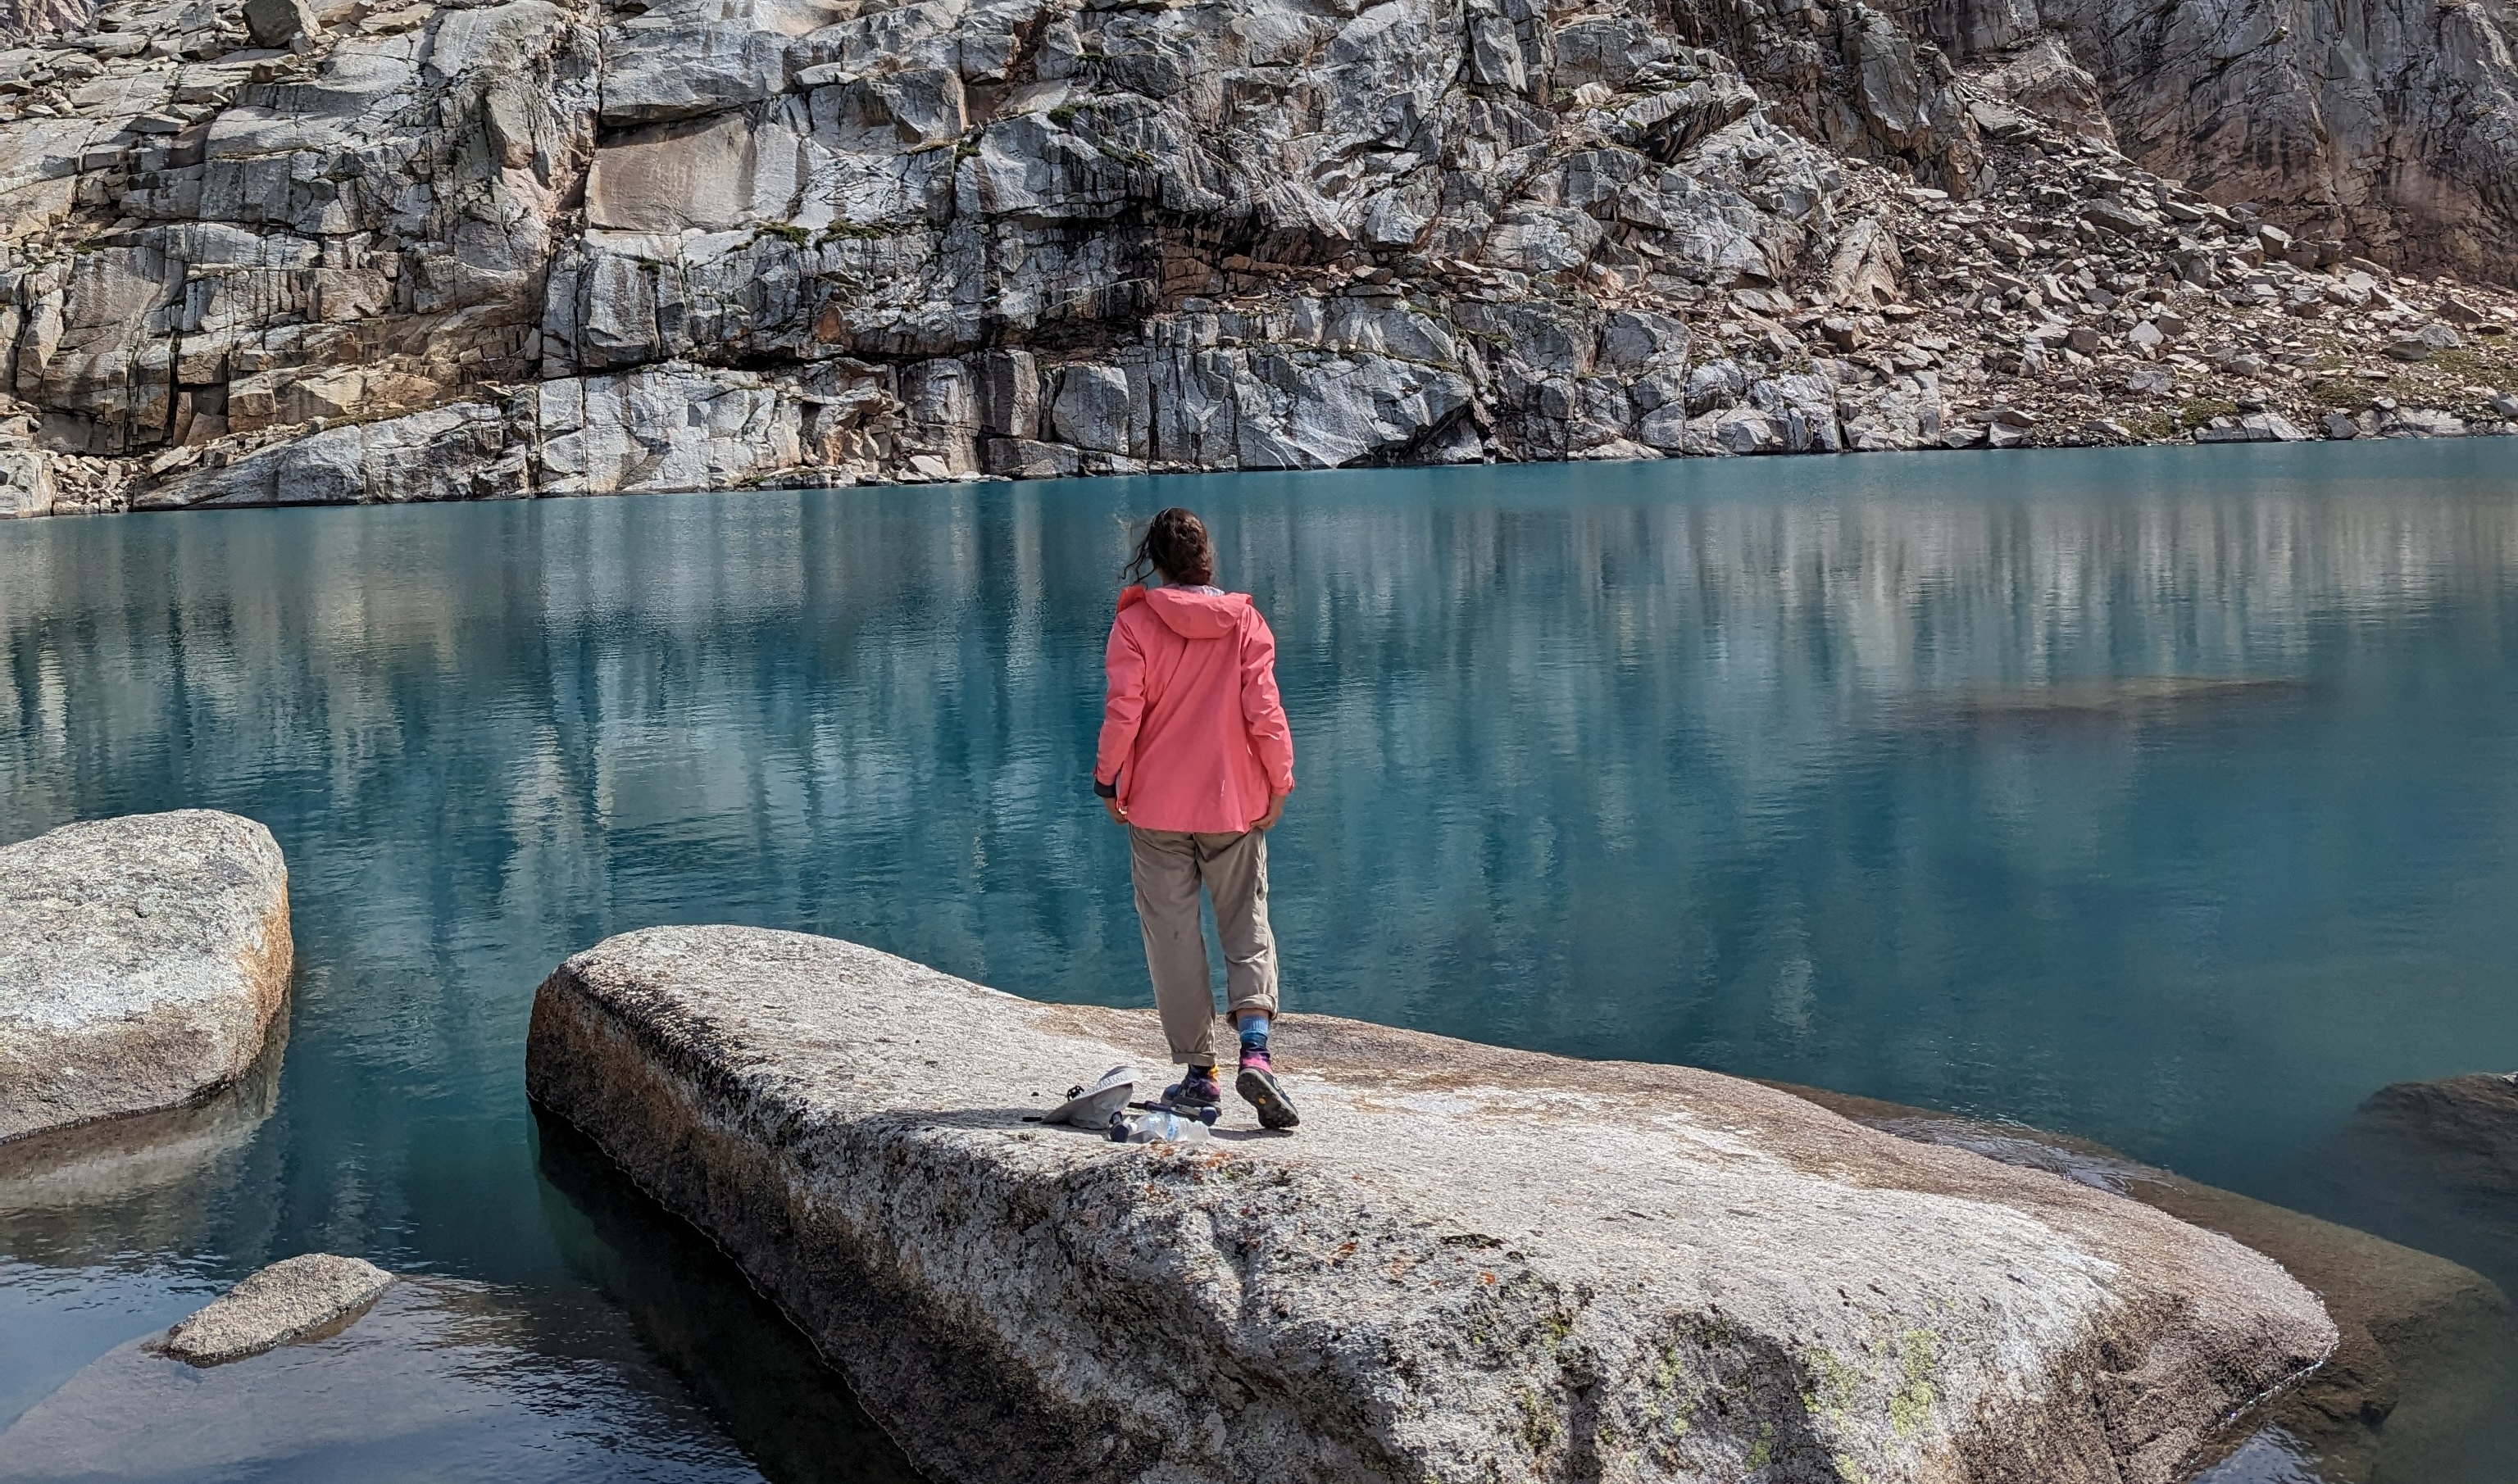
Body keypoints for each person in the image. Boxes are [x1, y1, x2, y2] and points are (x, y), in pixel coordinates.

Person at [1093, 507, 1301, 1130]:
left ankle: (1199, 1078)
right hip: (1233, 802)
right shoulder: (1245, 622)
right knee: (1246, 921)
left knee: (1173, 936)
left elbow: (1122, 712)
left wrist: (1108, 779)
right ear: (1207, 557)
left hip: (1156, 806)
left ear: (1154, 561)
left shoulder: (1134, 624)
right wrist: (1279, 780)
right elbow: (1265, 710)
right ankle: (1256, 1049)